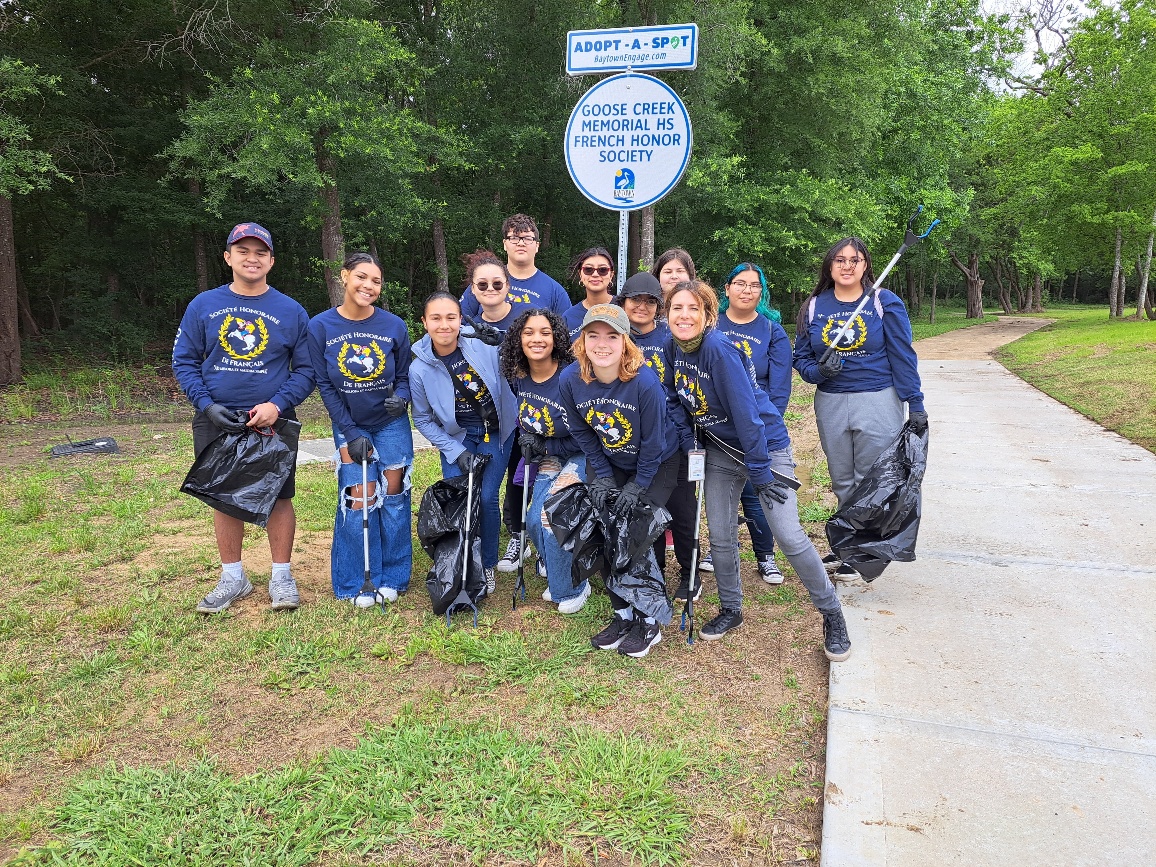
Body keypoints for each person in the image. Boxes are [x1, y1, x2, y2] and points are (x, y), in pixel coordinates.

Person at [665, 279, 851, 661]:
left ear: (708, 315)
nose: (684, 316)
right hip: (720, 451)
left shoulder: (719, 351)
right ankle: (731, 609)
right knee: (719, 534)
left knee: (789, 535)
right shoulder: (672, 348)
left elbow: (748, 416)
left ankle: (832, 612)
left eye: (692, 309)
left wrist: (761, 470)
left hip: (763, 446)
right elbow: (674, 399)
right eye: (676, 309)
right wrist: (690, 443)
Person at [173, 222, 314, 614]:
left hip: (272, 419)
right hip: (218, 418)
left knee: (281, 495)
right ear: (228, 257)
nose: (252, 259)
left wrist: (278, 405)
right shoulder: (203, 305)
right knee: (224, 495)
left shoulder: (290, 310)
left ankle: (281, 576)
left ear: (271, 260)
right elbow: (184, 361)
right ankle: (233, 578)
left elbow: (306, 370)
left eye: (260, 252)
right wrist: (206, 404)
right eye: (244, 251)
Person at [793, 237, 927, 581]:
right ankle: (847, 545)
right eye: (840, 259)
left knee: (874, 480)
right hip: (832, 402)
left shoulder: (884, 302)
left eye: (855, 259)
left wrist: (916, 403)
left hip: (878, 399)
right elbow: (803, 360)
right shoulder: (813, 306)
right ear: (830, 266)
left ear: (866, 265)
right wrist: (819, 372)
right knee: (842, 480)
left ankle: (866, 552)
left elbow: (902, 354)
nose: (847, 265)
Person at [560, 304, 681, 658]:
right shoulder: (571, 379)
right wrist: (602, 476)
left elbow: (655, 442)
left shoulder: (643, 381)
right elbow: (582, 432)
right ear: (582, 340)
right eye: (593, 335)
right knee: (603, 528)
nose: (602, 343)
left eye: (612, 336)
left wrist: (637, 486)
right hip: (611, 461)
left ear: (625, 342)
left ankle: (649, 620)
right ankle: (622, 612)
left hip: (656, 462)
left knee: (640, 531)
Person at [307, 251, 413, 607]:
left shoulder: (394, 326)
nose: (369, 285)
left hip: (391, 424)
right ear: (345, 277)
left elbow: (403, 377)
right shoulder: (320, 326)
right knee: (359, 498)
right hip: (349, 426)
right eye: (362, 277)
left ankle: (394, 578)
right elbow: (324, 383)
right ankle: (354, 581)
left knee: (395, 496)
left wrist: (402, 398)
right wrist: (350, 432)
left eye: (376, 280)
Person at [410, 291, 517, 596]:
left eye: (451, 317)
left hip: (496, 431)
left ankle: (487, 565)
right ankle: (461, 560)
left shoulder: (482, 344)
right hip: (457, 436)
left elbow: (520, 343)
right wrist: (456, 452)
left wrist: (499, 336)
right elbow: (423, 419)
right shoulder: (419, 369)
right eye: (436, 318)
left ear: (461, 319)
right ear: (424, 322)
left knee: (484, 498)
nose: (444, 325)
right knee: (461, 499)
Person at [499, 308, 591, 614]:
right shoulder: (519, 377)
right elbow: (527, 416)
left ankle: (572, 587)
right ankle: (558, 566)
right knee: (534, 520)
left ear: (557, 338)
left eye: (544, 332)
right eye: (528, 333)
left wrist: (546, 444)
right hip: (548, 455)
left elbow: (588, 433)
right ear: (518, 340)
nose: (536, 339)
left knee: (551, 516)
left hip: (581, 454)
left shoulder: (571, 376)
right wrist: (530, 438)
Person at [614, 271, 697, 599]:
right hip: (636, 442)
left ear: (659, 307)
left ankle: (691, 575)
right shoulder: (618, 339)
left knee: (683, 512)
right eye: (636, 300)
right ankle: (655, 573)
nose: (642, 307)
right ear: (624, 303)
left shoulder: (669, 339)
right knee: (649, 512)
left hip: (675, 437)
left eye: (650, 301)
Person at [717, 263, 793, 585]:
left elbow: (778, 389)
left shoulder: (772, 331)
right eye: (740, 283)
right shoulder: (712, 324)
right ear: (727, 289)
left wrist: (759, 429)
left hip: (758, 422)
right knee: (725, 492)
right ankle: (722, 547)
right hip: (719, 423)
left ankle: (765, 555)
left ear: (762, 292)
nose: (747, 290)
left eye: (754, 285)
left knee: (756, 488)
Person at [461, 250, 534, 574]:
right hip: (484, 423)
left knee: (520, 481)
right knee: (479, 490)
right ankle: (470, 552)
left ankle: (521, 537)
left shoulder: (523, 323)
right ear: (473, 290)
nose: (490, 290)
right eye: (483, 285)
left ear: (507, 286)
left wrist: (506, 343)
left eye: (496, 284)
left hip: (523, 418)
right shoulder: (465, 326)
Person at [461, 214, 572, 318]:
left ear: (537, 246)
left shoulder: (555, 292)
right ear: (505, 244)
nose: (521, 243)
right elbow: (460, 323)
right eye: (514, 238)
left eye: (528, 238)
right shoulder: (483, 283)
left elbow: (565, 334)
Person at [561, 247, 616, 340]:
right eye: (588, 269)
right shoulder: (569, 317)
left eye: (602, 270)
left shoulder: (624, 308)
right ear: (580, 274)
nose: (595, 274)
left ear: (611, 275)